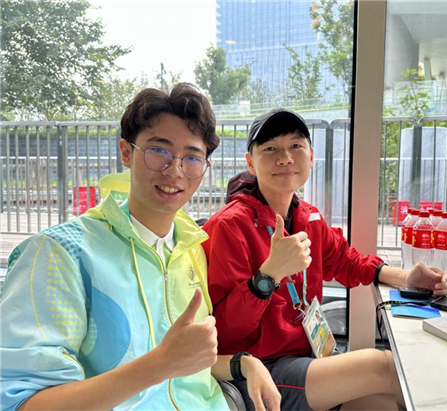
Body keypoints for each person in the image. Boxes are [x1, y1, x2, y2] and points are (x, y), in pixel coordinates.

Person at [0, 84, 280, 411]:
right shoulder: (60, 254)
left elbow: (184, 363)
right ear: (126, 152)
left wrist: (242, 364)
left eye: (191, 158)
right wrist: (158, 365)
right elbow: (22, 402)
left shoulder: (190, 247)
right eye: (159, 151)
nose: (174, 170)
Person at [202, 108, 447, 410]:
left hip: (306, 355)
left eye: (296, 146)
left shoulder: (308, 216)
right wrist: (266, 278)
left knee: (383, 400)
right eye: (270, 149)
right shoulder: (230, 226)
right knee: (384, 367)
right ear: (251, 163)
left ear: (311, 156)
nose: (285, 157)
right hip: (258, 369)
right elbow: (223, 333)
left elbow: (347, 261)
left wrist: (406, 277)